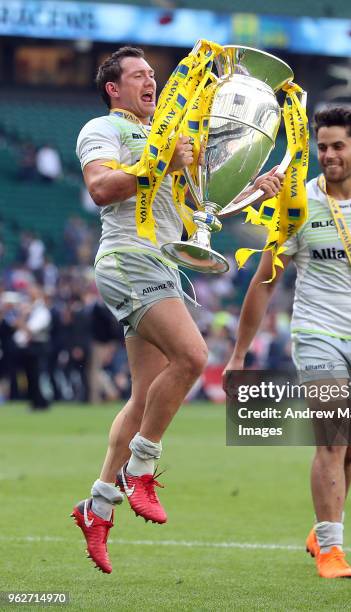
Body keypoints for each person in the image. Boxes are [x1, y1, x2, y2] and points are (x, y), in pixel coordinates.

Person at [71, 46, 283, 574]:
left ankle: (96, 507)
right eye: (138, 75)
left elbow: (196, 214)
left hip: (163, 264)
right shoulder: (103, 129)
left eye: (153, 75)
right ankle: (140, 471)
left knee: (145, 395)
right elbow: (101, 188)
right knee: (192, 357)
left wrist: (252, 189)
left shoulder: (173, 138)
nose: (151, 81)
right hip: (127, 259)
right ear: (113, 89)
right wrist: (160, 160)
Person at [223, 106, 351, 579]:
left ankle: (324, 530)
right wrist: (238, 353)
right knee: (332, 436)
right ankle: (332, 551)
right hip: (315, 335)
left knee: (350, 449)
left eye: (337, 146)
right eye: (322, 146)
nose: (328, 154)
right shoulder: (298, 203)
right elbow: (264, 283)